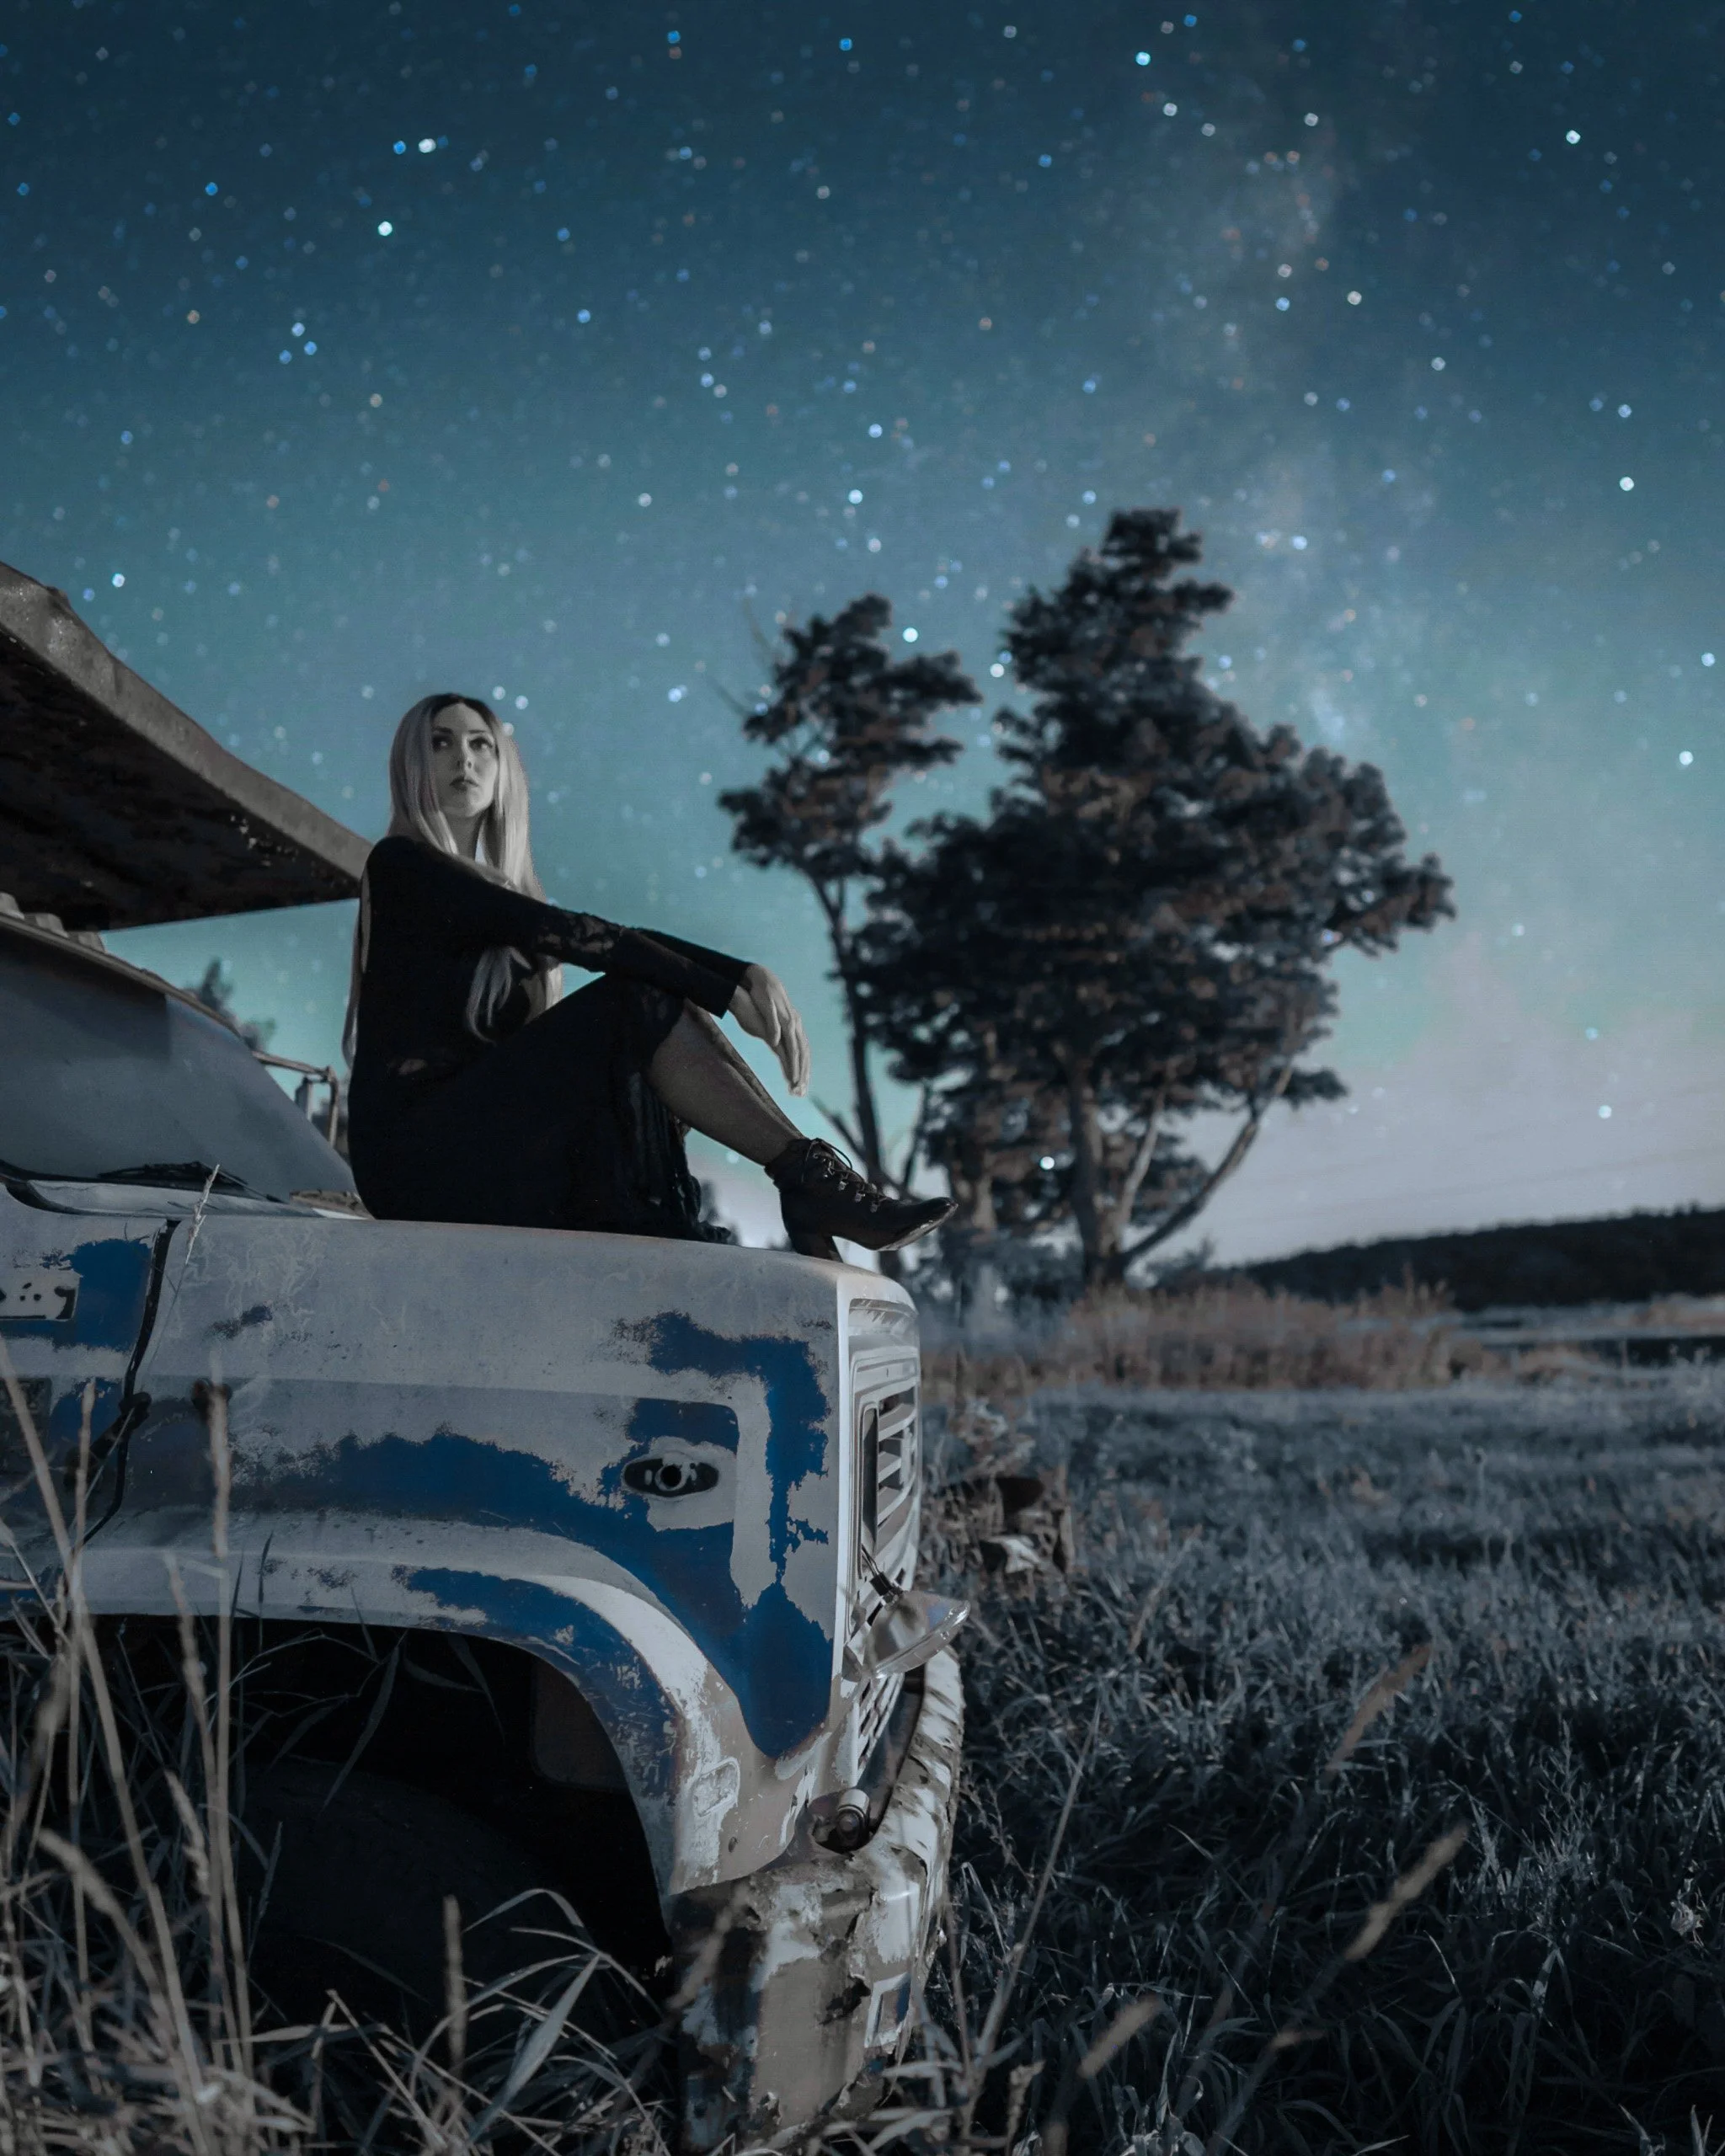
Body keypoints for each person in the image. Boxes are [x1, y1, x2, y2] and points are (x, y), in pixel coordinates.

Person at [343, 693, 953, 1261]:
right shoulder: (402, 867)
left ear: (504, 768)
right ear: (410, 766)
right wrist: (721, 989)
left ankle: (810, 1182)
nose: (464, 759)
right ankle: (809, 1182)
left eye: (482, 744)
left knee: (642, 1002)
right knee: (631, 1000)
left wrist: (742, 972)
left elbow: (598, 937)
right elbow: (579, 936)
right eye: (441, 742)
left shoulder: (501, 901)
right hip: (414, 1159)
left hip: (484, 1147)